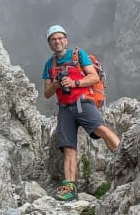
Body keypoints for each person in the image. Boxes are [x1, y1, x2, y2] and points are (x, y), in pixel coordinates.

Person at [42, 24, 120, 201]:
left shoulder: (78, 55)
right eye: (53, 39)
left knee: (101, 129)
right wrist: (56, 84)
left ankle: (124, 156)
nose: (57, 42)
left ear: (66, 40)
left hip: (82, 102)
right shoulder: (49, 64)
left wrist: (74, 83)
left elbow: (94, 76)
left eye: (60, 38)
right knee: (68, 148)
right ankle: (69, 188)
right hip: (64, 109)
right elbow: (47, 94)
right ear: (49, 44)